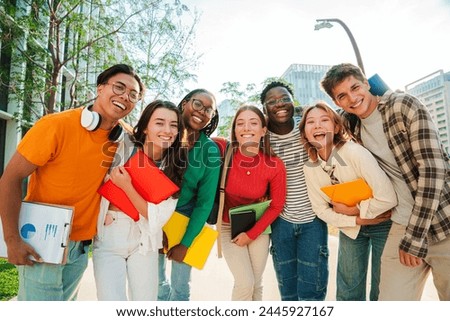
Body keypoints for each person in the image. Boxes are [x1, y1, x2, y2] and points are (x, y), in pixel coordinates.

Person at [0, 64, 144, 300]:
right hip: (41, 244)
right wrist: (11, 239)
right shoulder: (55, 125)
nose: (124, 97)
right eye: (119, 87)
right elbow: (10, 178)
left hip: (80, 249)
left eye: (133, 95)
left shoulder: (125, 138)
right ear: (100, 88)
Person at [321, 62, 450, 301]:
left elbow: (433, 171)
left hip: (443, 220)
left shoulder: (404, 106)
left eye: (355, 87)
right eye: (342, 96)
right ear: (337, 102)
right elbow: (323, 124)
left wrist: (415, 237)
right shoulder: (352, 123)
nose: (352, 98)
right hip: (401, 225)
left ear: (367, 83)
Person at [300, 102, 397, 300]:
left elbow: (387, 198)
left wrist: (352, 210)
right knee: (348, 289)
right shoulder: (309, 167)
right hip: (351, 228)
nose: (317, 126)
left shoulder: (354, 152)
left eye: (324, 120)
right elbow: (320, 210)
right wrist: (358, 220)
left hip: (382, 224)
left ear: (336, 127)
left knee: (382, 289)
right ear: (304, 132)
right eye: (311, 122)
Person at [92, 100, 187, 300]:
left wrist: (126, 185)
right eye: (159, 123)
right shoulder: (122, 148)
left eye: (173, 125)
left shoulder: (175, 166)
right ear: (145, 127)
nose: (167, 130)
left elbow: (156, 218)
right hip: (110, 232)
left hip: (145, 240)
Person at [260, 81, 329, 301]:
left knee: (312, 291)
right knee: (288, 293)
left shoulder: (307, 128)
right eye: (272, 101)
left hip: (314, 220)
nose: (279, 104)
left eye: (284, 99)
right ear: (265, 109)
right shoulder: (261, 139)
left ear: (293, 102)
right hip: (280, 222)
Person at [158, 88, 221, 301]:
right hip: (153, 214)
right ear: (185, 103)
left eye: (208, 109)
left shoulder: (210, 150)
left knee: (181, 288)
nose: (202, 111)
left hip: (186, 218)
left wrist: (185, 243)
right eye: (197, 104)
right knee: (156, 285)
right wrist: (155, 226)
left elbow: (204, 202)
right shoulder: (164, 135)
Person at [220, 105, 286, 301]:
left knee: (256, 284)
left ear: (263, 130)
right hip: (227, 227)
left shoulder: (274, 164)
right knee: (244, 283)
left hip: (258, 226)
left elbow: (277, 205)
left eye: (253, 123)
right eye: (240, 123)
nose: (246, 128)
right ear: (234, 130)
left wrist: (251, 234)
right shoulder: (223, 153)